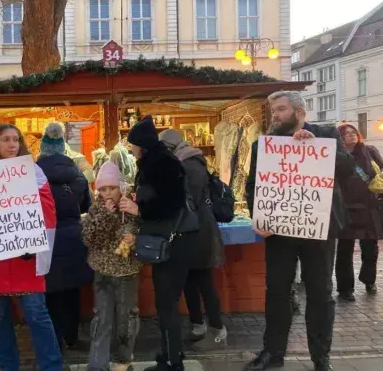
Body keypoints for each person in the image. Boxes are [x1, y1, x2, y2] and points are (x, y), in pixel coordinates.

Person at [244, 91, 355, 371]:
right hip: (279, 231)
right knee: (277, 291)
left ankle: (321, 358)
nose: (275, 115)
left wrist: (316, 145)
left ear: (300, 113)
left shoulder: (327, 133)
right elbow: (253, 184)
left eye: (281, 109)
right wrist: (259, 217)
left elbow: (348, 169)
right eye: (273, 110)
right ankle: (273, 353)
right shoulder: (265, 144)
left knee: (320, 292)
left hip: (318, 228)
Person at [0, 123, 63, 371]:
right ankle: (8, 367)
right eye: (6, 139)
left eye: (15, 139)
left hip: (25, 258)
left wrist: (34, 240)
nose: (12, 144)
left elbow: (47, 208)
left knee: (36, 314)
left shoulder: (33, 171)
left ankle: (51, 366)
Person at [118, 116, 191, 371]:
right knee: (165, 303)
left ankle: (173, 362)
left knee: (167, 304)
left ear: (142, 145)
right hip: (169, 243)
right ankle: (168, 356)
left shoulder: (162, 164)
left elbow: (171, 204)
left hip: (174, 245)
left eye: (133, 145)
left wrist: (139, 210)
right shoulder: (156, 162)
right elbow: (159, 197)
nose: (131, 149)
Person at [159, 129, 227, 344]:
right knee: (189, 280)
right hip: (190, 230)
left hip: (200, 232)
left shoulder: (191, 164)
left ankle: (217, 327)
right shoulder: (184, 161)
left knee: (203, 281)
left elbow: (189, 200)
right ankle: (198, 324)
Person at [37, 122, 93, 350]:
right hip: (72, 239)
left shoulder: (34, 176)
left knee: (50, 293)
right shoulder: (77, 176)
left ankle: (55, 339)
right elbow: (86, 205)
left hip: (45, 241)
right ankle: (72, 336)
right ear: (63, 148)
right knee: (72, 290)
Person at [83, 160, 141, 371]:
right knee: (101, 319)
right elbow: (90, 239)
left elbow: (150, 230)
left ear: (121, 187)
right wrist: (106, 215)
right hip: (102, 271)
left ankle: (123, 361)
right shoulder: (95, 209)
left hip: (127, 271)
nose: (108, 193)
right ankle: (97, 365)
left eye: (112, 188)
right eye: (103, 189)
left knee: (126, 319)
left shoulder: (132, 205)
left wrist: (135, 232)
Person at [335, 123, 382, 300]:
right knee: (345, 249)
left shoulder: (369, 150)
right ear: (340, 138)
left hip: (368, 206)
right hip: (345, 207)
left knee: (370, 247)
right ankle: (345, 289)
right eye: (346, 133)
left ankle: (369, 280)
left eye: (353, 132)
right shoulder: (337, 155)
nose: (351, 135)